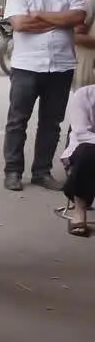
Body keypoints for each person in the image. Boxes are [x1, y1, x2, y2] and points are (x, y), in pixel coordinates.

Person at [2, 0, 87, 192]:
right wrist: (59, 19)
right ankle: (13, 171)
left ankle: (42, 171)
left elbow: (77, 17)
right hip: (26, 65)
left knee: (51, 123)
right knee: (18, 120)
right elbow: (19, 24)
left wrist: (39, 15)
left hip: (61, 66)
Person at [60, 85, 95, 236]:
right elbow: (82, 133)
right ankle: (79, 210)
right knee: (88, 151)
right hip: (83, 149)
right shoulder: (84, 95)